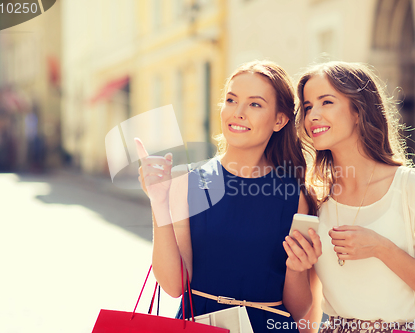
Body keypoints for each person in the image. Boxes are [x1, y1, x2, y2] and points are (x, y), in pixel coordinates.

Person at [136, 60, 322, 332]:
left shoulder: (295, 196)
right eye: (231, 100)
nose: (238, 112)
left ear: (280, 120)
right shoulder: (187, 183)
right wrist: (158, 203)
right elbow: (174, 285)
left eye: (255, 104)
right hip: (200, 324)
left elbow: (298, 309)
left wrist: (297, 268)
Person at [295, 61, 415, 333]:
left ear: (358, 111)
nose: (313, 115)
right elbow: (308, 306)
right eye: (308, 106)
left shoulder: (412, 187)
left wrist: (381, 249)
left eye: (326, 102)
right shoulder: (314, 197)